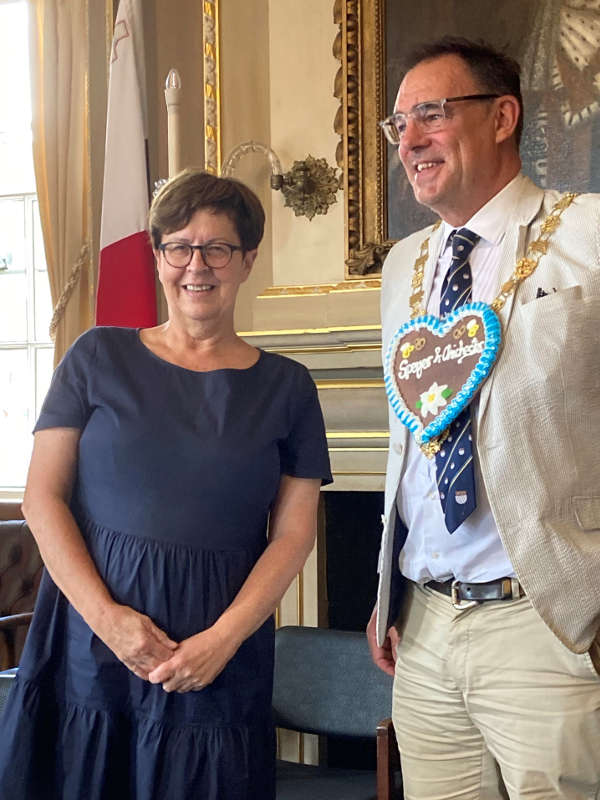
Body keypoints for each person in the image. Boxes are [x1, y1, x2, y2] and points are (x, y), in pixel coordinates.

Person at [0, 169, 332, 799]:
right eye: (179, 246)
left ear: (247, 258)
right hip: (90, 642)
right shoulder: (96, 356)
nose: (196, 265)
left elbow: (293, 534)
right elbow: (42, 497)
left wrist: (221, 641)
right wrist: (109, 621)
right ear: (156, 257)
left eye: (218, 248)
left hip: (215, 652)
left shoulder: (288, 387)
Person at [367, 37, 600, 798]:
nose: (410, 139)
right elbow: (412, 441)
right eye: (398, 124)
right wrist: (386, 598)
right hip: (425, 627)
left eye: (431, 113)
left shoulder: (588, 233)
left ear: (503, 116)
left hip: (549, 623)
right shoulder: (404, 263)